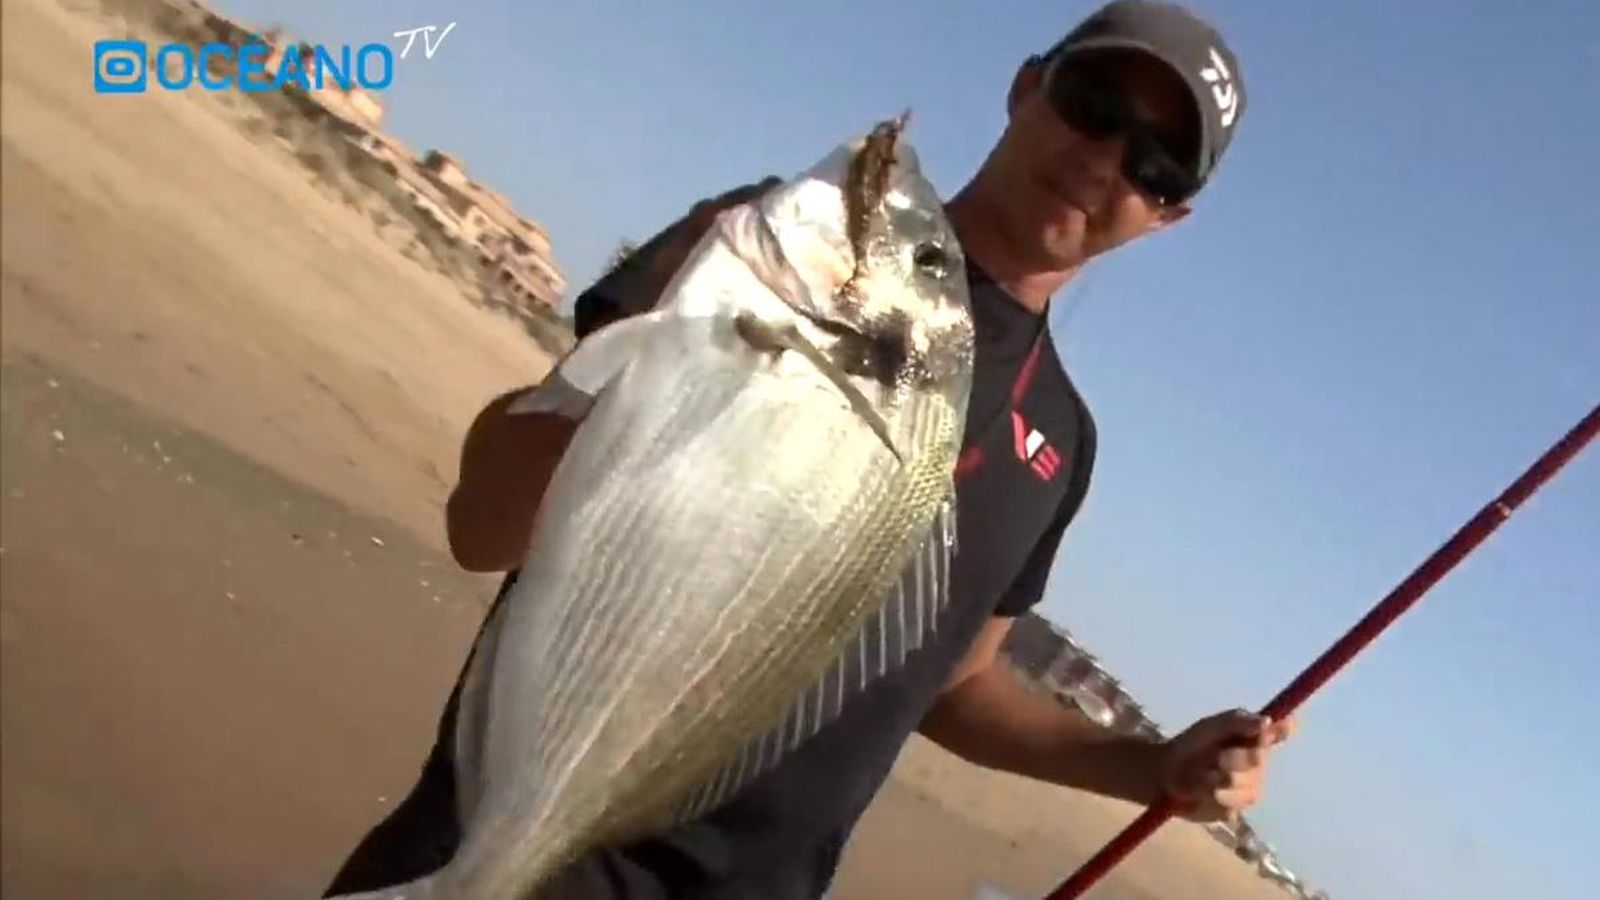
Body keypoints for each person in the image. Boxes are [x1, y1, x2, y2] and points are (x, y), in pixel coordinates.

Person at [322, 2, 1296, 898]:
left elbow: (952, 684)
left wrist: (1149, 767)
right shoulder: (764, 243)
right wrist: (663, 341)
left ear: (1170, 214)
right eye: (1095, 104)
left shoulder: (1063, 444)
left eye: (1157, 164)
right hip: (489, 828)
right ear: (1026, 85)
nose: (1106, 159)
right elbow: (483, 524)